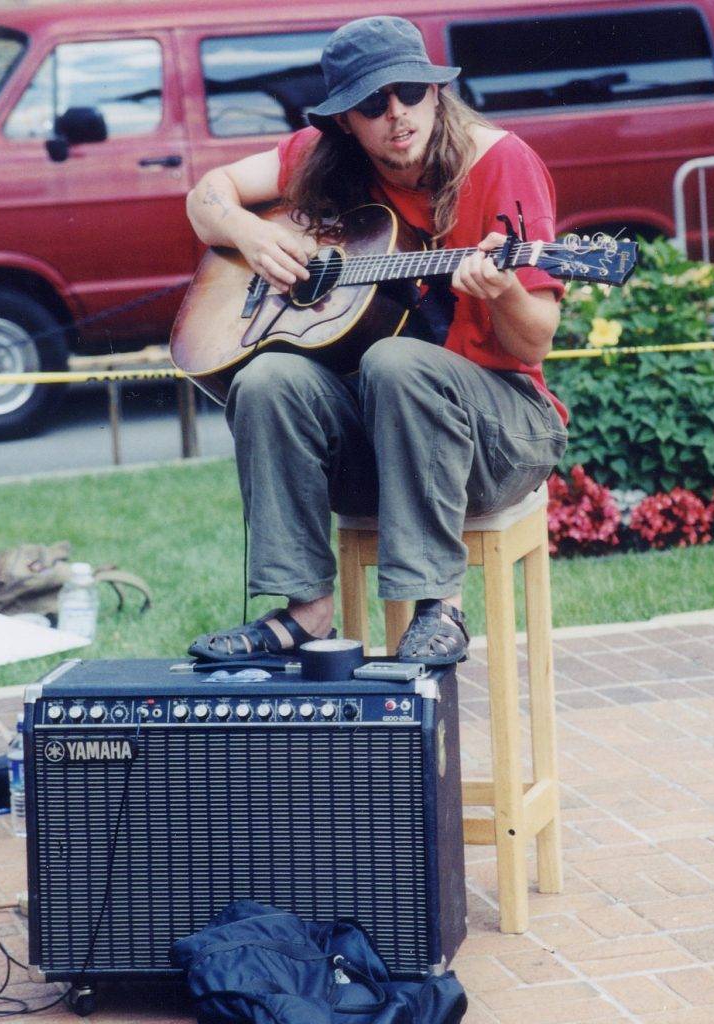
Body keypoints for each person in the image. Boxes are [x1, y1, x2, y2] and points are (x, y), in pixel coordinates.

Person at [186, 15, 568, 665]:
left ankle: (437, 605)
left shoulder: (501, 163)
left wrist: (502, 290)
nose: (396, 114)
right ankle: (302, 610)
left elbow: (533, 346)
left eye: (410, 92)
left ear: (436, 92)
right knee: (266, 379)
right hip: (382, 446)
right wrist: (253, 238)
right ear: (344, 121)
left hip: (501, 436)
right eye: (372, 103)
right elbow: (207, 195)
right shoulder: (322, 158)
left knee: (395, 360)